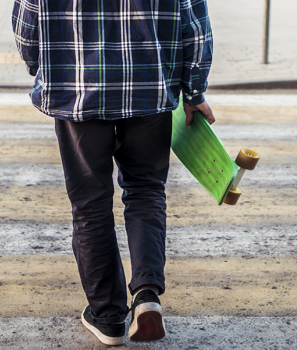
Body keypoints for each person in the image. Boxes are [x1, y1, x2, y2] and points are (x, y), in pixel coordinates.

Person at [12, 0, 215, 345]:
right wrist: (193, 89)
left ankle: (108, 318)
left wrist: (43, 66)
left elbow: (27, 26)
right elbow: (195, 25)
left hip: (76, 91)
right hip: (148, 89)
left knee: (90, 205)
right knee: (146, 190)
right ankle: (147, 294)